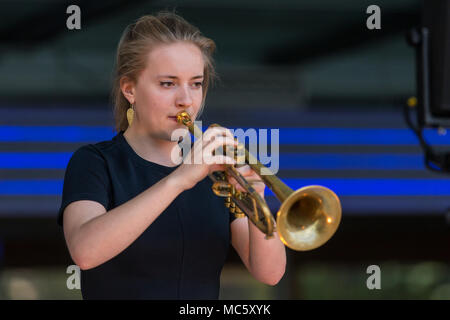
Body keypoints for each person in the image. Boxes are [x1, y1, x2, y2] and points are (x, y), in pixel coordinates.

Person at [57, 11, 286, 299]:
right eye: (168, 83)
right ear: (129, 89)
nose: (186, 100)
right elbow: (85, 252)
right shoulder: (94, 162)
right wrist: (179, 179)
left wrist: (256, 199)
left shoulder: (215, 172)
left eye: (196, 83)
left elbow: (270, 273)